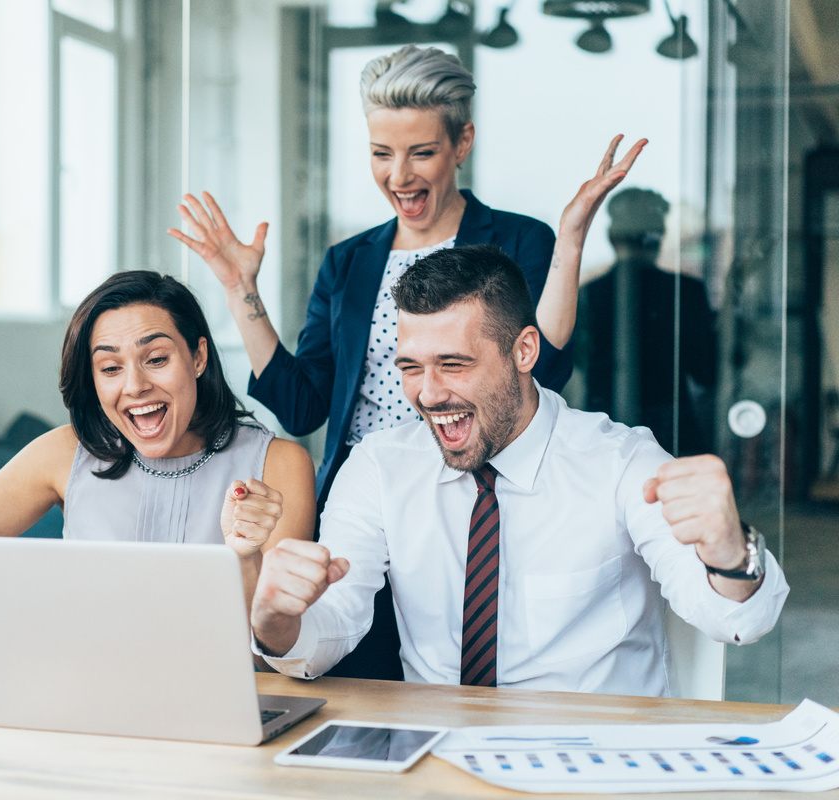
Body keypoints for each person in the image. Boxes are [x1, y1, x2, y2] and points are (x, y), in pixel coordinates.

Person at [171, 43, 645, 679]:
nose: (399, 175)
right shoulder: (348, 262)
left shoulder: (517, 241)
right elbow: (300, 403)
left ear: (461, 143)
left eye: (421, 152)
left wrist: (571, 242)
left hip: (467, 501)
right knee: (349, 674)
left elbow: (543, 367)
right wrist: (239, 290)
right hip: (371, 503)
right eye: (380, 153)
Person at [248, 245, 789, 697]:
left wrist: (727, 552)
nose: (429, 394)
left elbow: (737, 621)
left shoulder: (622, 463)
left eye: (454, 364)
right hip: (440, 759)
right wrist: (277, 623)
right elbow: (331, 630)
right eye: (411, 367)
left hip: (596, 762)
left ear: (524, 350)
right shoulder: (378, 466)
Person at [0, 270, 316, 605]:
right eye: (109, 367)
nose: (134, 386)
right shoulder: (66, 454)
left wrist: (246, 561)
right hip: (90, 705)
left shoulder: (278, 465)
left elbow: (273, 650)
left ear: (199, 358)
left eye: (157, 358)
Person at [581, 187, 717, 456]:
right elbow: (706, 372)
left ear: (612, 236)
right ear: (657, 238)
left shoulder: (588, 295)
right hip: (670, 435)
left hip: (603, 434)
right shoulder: (686, 292)